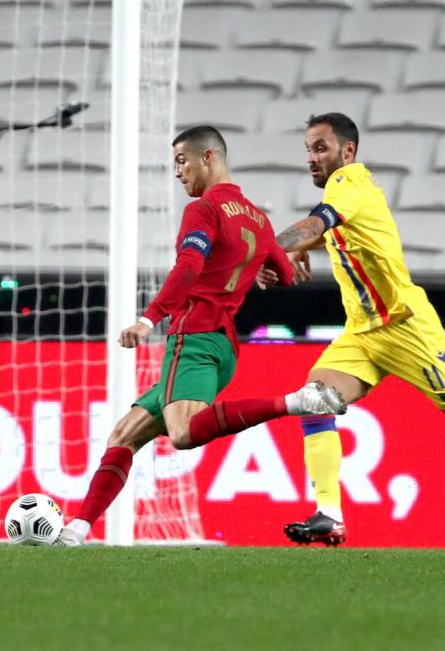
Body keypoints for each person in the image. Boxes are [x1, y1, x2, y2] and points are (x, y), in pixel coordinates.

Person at [186, 112, 445, 545]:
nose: (311, 158)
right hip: (363, 332)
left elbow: (316, 224)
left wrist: (263, 251)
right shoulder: (348, 197)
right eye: (307, 149)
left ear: (348, 151)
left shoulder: (350, 184)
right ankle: (329, 513)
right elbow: (325, 231)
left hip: (405, 327)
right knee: (315, 399)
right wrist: (297, 250)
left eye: (320, 148)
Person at [56, 125, 343, 547]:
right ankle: (76, 529)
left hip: (193, 335)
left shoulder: (204, 210)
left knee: (183, 433)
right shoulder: (258, 218)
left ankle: (295, 402)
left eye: (181, 161)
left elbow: (188, 266)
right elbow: (284, 272)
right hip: (224, 346)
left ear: (208, 157)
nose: (177, 171)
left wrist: (148, 319)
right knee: (124, 435)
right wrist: (261, 267)